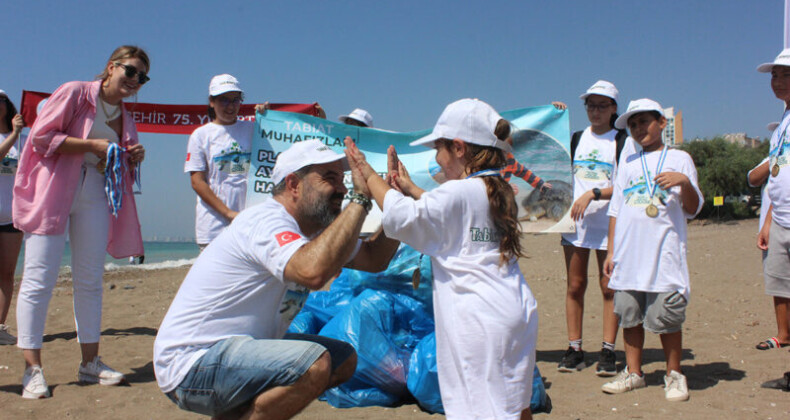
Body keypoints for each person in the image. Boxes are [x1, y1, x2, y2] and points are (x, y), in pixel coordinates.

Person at [154, 139, 400, 419]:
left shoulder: (314, 231)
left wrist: (396, 206)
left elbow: (374, 258)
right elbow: (312, 272)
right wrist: (360, 198)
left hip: (235, 352)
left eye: (343, 179)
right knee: (314, 364)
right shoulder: (265, 222)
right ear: (294, 185)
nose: (342, 188)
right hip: (193, 362)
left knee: (343, 360)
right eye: (330, 178)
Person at [345, 98, 539, 419]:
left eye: (439, 149)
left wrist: (368, 173)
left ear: (459, 148)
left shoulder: (461, 192)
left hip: (480, 320)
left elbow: (402, 217)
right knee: (515, 407)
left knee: (481, 408)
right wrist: (408, 187)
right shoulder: (496, 189)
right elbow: (450, 216)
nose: (437, 158)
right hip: (513, 310)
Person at [13, 45, 149, 399]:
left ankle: (90, 362)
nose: (135, 81)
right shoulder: (75, 92)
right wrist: (93, 145)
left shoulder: (125, 114)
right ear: (110, 67)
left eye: (142, 77)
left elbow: (117, 159)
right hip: (56, 189)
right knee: (39, 277)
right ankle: (32, 368)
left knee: (89, 279)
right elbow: (42, 138)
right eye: (131, 71)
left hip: (95, 193)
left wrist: (133, 155)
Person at [602, 99, 702, 402]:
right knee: (629, 315)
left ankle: (674, 374)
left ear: (662, 122)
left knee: (667, 318)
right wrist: (610, 252)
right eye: (633, 124)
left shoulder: (680, 158)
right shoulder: (628, 163)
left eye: (644, 121)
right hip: (628, 256)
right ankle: (634, 373)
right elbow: (616, 210)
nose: (638, 129)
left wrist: (683, 182)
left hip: (664, 255)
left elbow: (693, 207)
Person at [557, 80, 626, 376]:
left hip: (607, 223)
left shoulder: (622, 140)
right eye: (591, 105)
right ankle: (575, 348)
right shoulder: (575, 138)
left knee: (608, 286)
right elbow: (551, 157)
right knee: (575, 285)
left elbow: (624, 185)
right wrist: (555, 116)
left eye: (602, 105)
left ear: (613, 108)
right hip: (575, 225)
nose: (595, 111)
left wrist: (594, 193)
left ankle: (608, 350)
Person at [185, 74, 253, 249]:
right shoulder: (200, 135)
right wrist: (228, 213)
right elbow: (197, 182)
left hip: (249, 226)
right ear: (211, 101)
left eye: (235, 100)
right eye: (224, 100)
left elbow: (281, 138)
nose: (230, 106)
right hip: (213, 227)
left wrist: (267, 115)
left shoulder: (253, 129)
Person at [756, 49, 790, 352]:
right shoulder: (782, 125)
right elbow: (777, 180)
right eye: (774, 75)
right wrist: (767, 221)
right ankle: (785, 335)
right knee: (780, 281)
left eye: (785, 74)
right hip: (780, 219)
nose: (777, 81)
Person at [0, 90, 25, 345]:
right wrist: (15, 135)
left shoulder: (23, 141)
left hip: (13, 216)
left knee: (6, 274)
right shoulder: (16, 138)